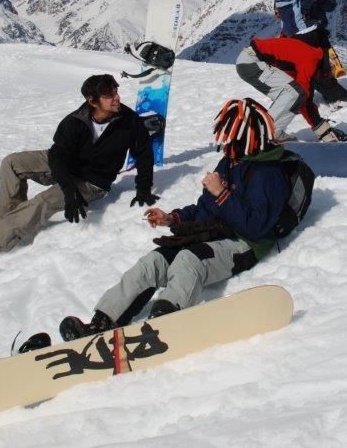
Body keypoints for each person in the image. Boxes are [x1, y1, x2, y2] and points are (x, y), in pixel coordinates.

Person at [51, 99, 290, 341]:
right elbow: (203, 208)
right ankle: (102, 321)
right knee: (152, 261)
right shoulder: (228, 164)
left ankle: (165, 320)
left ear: (248, 138)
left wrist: (222, 194)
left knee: (188, 260)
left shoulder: (268, 174)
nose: (227, 144)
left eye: (232, 138)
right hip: (214, 233)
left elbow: (255, 226)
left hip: (245, 244)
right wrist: (173, 218)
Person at [0, 74, 157, 257]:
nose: (117, 98)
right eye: (109, 95)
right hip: (67, 165)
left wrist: (144, 189)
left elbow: (144, 155)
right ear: (92, 101)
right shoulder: (75, 121)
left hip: (93, 181)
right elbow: (57, 157)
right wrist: (68, 190)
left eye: (116, 92)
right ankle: (3, 224)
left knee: (45, 200)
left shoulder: (129, 122)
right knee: (12, 163)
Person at [236, 0, 347, 144]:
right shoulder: (309, 56)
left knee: (292, 95)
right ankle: (262, 135)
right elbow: (305, 95)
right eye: (333, 67)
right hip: (253, 61)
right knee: (295, 94)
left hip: (256, 57)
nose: (331, 70)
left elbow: (303, 99)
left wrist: (321, 129)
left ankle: (270, 132)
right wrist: (323, 131)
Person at [298, 0, 347, 110]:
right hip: (300, 30)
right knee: (307, 67)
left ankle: (336, 96)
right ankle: (307, 96)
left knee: (322, 66)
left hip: (318, 29)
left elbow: (331, 4)